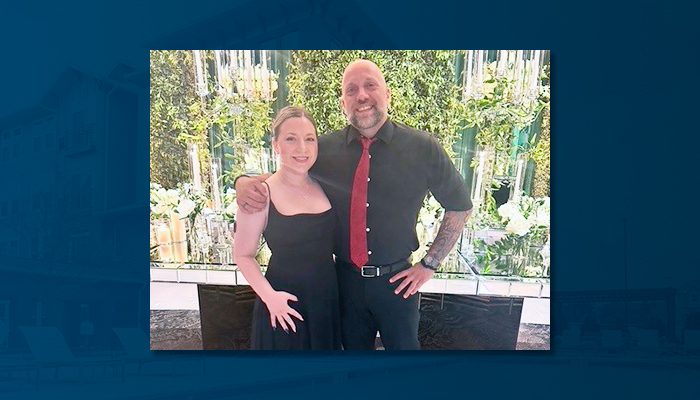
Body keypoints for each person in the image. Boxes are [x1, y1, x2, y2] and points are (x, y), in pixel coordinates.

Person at [236, 60, 472, 350]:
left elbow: (460, 205)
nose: (361, 96)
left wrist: (430, 264)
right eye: (352, 90)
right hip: (343, 284)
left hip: (397, 284)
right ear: (343, 102)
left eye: (370, 85)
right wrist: (244, 182)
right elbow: (289, 169)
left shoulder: (423, 147)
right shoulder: (324, 149)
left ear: (387, 94)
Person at [233, 106, 341, 350]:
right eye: (291, 139)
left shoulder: (326, 186)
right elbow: (242, 254)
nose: (302, 148)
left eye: (309, 139)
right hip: (283, 306)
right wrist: (270, 297)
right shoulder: (261, 193)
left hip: (326, 302)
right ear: (276, 145)